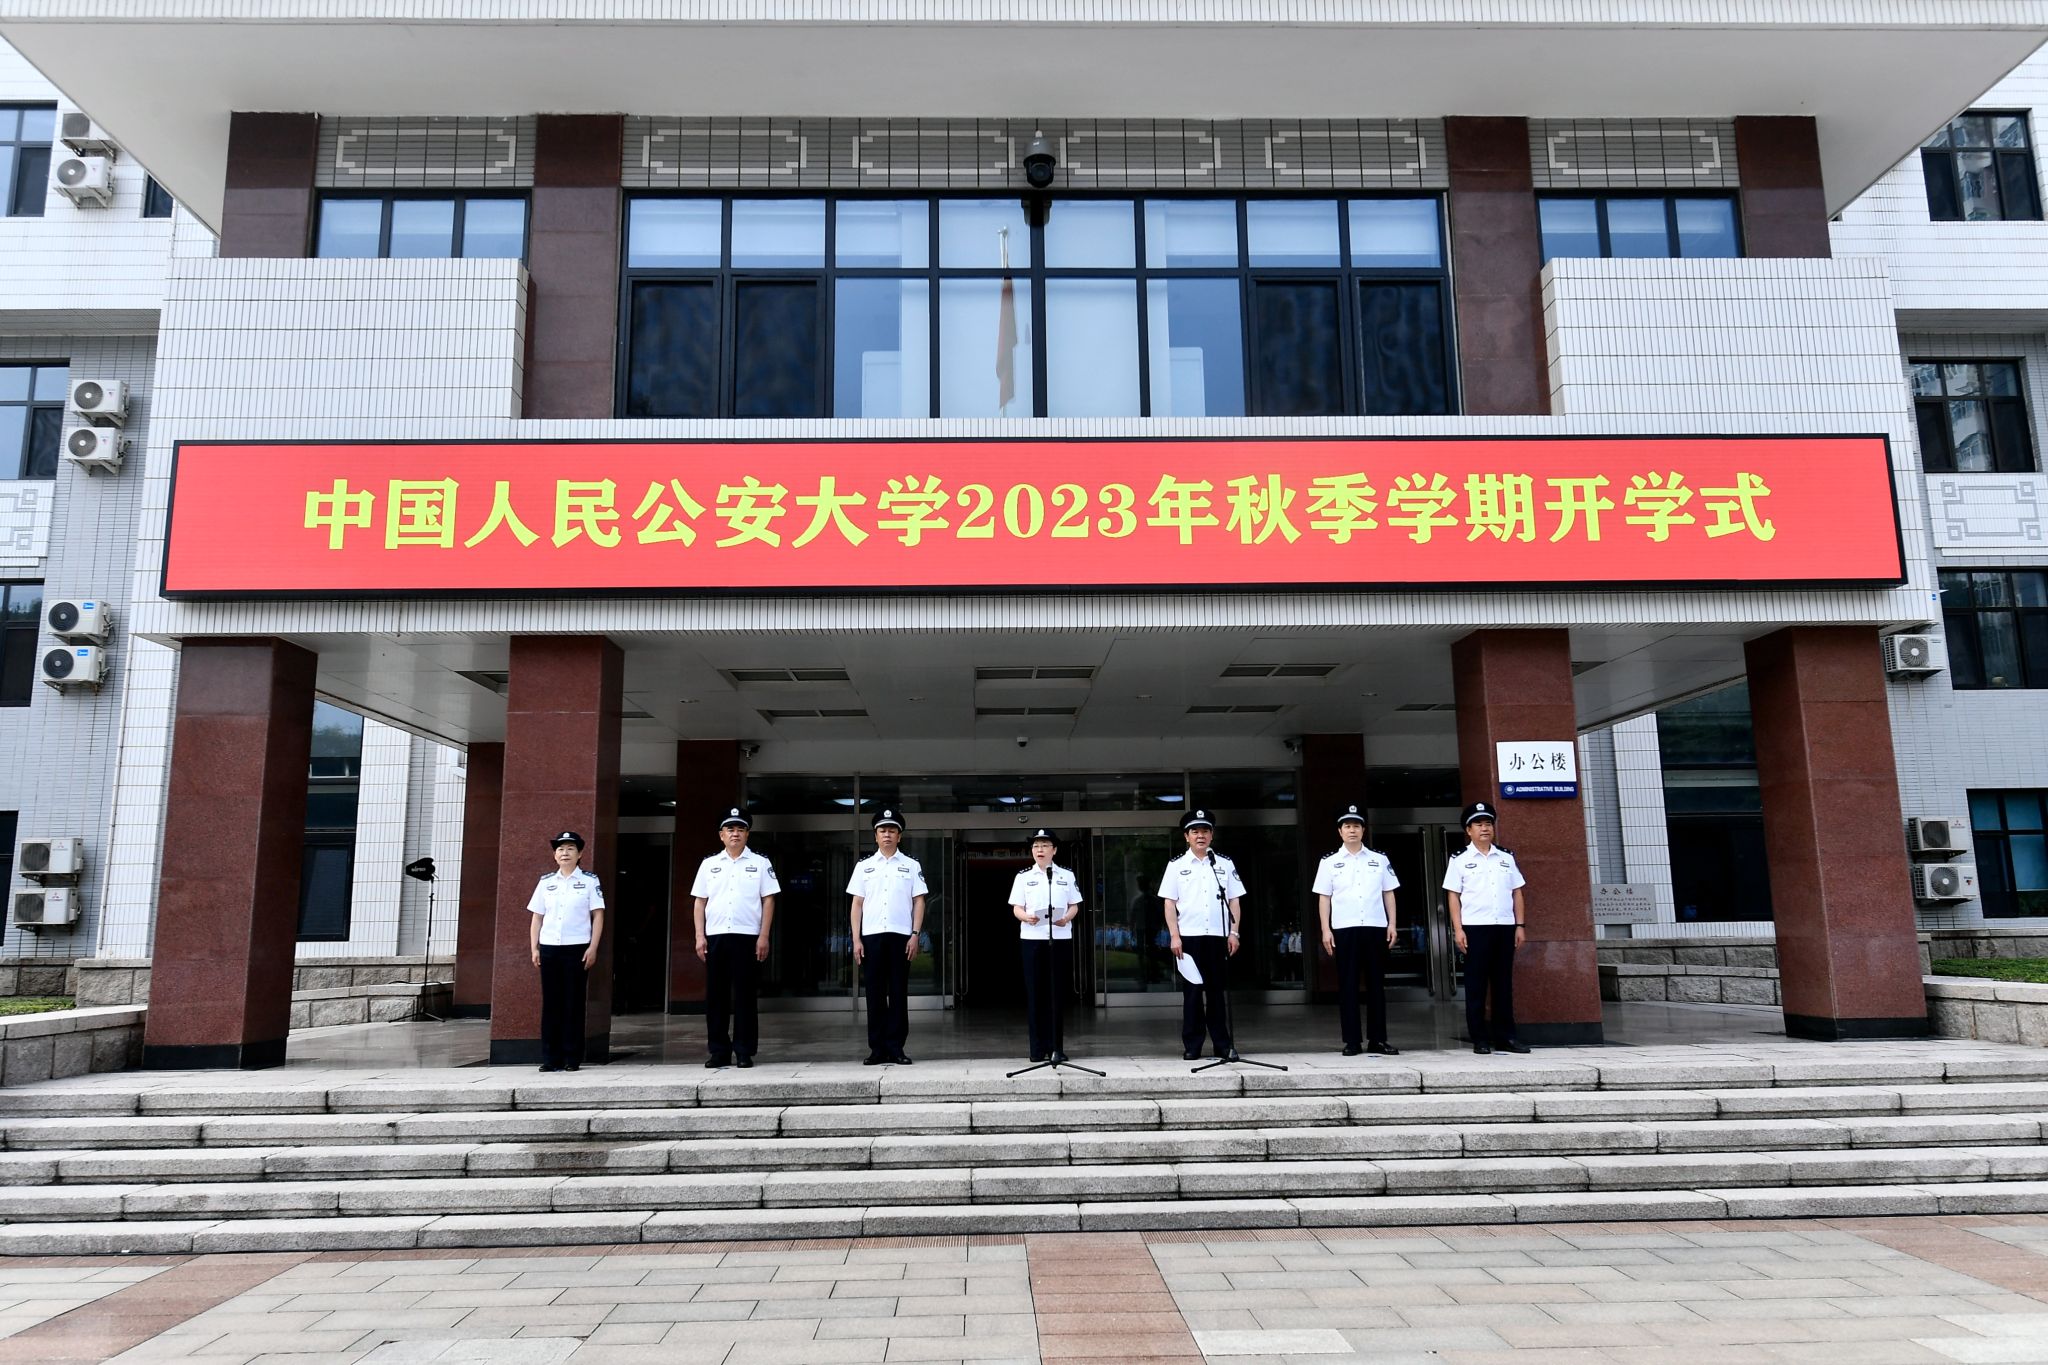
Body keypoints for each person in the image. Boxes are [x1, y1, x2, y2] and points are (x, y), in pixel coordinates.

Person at [690, 805, 779, 1070]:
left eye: (740, 829)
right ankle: (718, 1051)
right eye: (730, 829)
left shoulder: (760, 863)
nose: (735, 833)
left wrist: (764, 935)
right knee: (716, 996)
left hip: (747, 937)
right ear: (721, 835)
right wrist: (699, 936)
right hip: (716, 936)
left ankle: (744, 1051)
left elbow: (769, 900)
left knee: (745, 996)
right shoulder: (709, 865)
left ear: (747, 834)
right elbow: (699, 902)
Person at [1314, 802, 1402, 1057]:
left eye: (1356, 826)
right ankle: (1352, 1040)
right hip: (1345, 929)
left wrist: (1392, 924)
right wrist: (1325, 929)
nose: (1352, 830)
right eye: (1347, 826)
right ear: (1340, 831)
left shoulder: (1379, 859)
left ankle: (1378, 1039)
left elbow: (1389, 893)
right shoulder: (1329, 862)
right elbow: (1324, 898)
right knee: (1348, 985)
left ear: (1363, 830)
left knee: (1376, 985)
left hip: (1375, 928)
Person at [1443, 800, 1531, 1055]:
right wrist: (1458, 929)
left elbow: (1517, 892)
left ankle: (1506, 1037)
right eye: (1478, 824)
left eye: (1488, 823)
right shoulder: (1459, 859)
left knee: (1503, 984)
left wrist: (1520, 925)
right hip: (1475, 928)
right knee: (1476, 986)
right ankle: (1479, 1038)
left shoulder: (1506, 857)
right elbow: (1453, 896)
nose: (1484, 828)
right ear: (1468, 830)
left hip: (1504, 927)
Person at [1160, 808, 1244, 1061]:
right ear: (1186, 836)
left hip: (1218, 936)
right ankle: (1193, 1044)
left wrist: (1234, 933)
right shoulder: (1176, 865)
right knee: (1193, 993)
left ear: (1212, 835)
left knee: (1217, 992)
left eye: (1205, 831)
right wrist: (1174, 936)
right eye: (1195, 831)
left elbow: (1234, 900)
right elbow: (1169, 903)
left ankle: (1222, 1044)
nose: (1200, 835)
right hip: (1189, 938)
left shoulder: (1224, 863)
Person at [848, 808, 927, 1065]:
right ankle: (877, 1049)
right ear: (875, 835)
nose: (887, 835)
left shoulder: (911, 865)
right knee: (874, 994)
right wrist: (856, 939)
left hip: (901, 937)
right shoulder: (864, 866)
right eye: (882, 830)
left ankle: (896, 1048)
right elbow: (857, 904)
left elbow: (919, 901)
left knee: (898, 992)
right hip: (871, 937)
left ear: (899, 836)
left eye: (892, 831)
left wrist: (915, 934)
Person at [527, 830, 604, 1073]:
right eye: (560, 849)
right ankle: (551, 1058)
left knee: (573, 1002)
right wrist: (534, 947)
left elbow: (598, 915)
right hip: (550, 947)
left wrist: (593, 946)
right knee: (551, 1003)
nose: (565, 853)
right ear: (554, 855)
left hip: (577, 948)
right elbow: (537, 917)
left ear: (579, 854)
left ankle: (572, 1057)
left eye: (570, 849)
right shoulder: (546, 882)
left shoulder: (590, 881)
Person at [1009, 827, 1083, 1064]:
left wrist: (1066, 918)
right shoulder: (1023, 876)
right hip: (1032, 939)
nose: (1039, 850)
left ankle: (1056, 1048)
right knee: (1035, 993)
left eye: (1044, 845)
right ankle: (1037, 1048)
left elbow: (1075, 905)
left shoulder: (1066, 875)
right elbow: (1016, 907)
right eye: (1036, 846)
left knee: (1056, 993)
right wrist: (1026, 917)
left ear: (1054, 850)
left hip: (1059, 938)